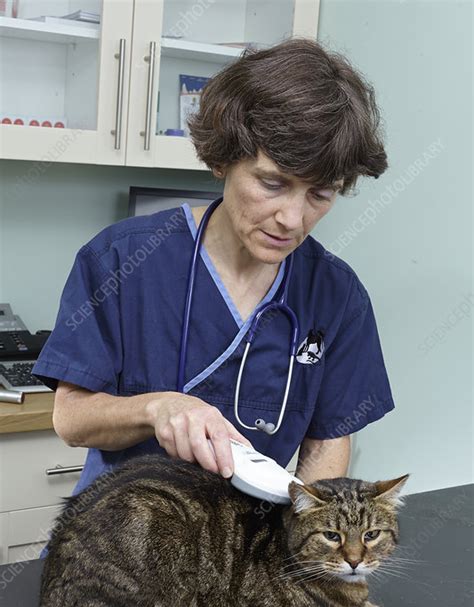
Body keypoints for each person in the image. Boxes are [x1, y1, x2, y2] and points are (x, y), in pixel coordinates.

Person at [33, 38, 394, 508]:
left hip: (240, 548)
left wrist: (301, 545)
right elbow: (71, 418)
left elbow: (327, 439)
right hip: (116, 542)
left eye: (319, 195)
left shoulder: (336, 293)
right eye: (272, 183)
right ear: (223, 158)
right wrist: (158, 408)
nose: (291, 217)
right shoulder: (121, 260)